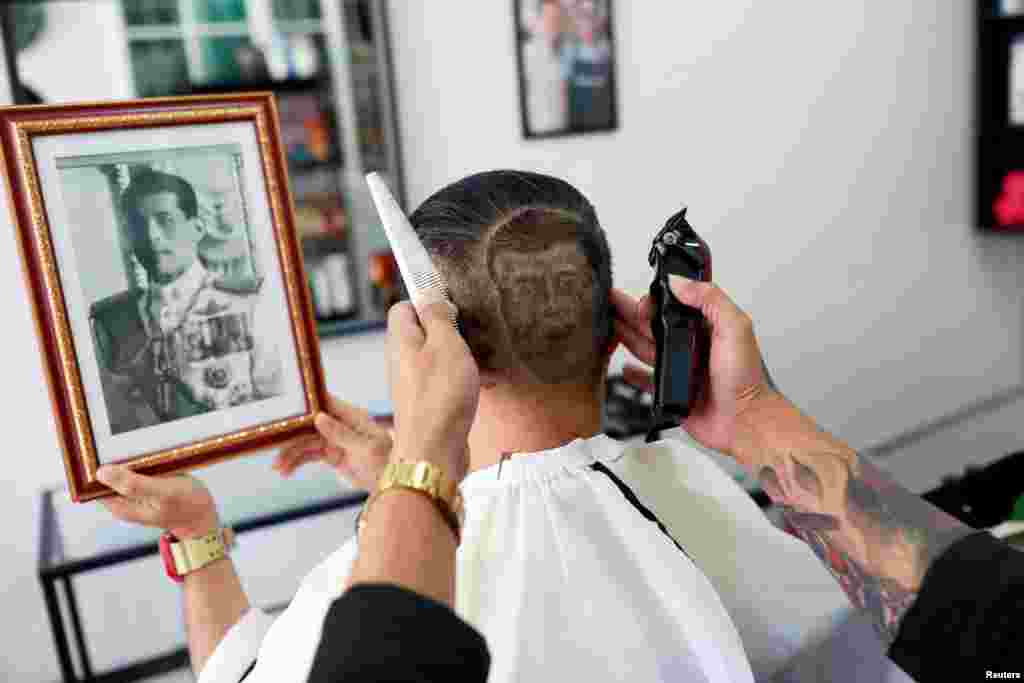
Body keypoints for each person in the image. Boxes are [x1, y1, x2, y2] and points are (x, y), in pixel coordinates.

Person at [90, 170, 281, 434]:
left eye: (165, 219)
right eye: (138, 224)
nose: (152, 234)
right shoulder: (111, 321)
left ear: (198, 227)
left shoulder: (249, 302)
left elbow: (279, 406)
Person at [521, 0, 570, 135]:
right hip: (539, 126)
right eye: (549, 18)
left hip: (561, 125)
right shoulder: (528, 52)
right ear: (540, 20)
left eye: (556, 19)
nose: (553, 24)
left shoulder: (562, 54)